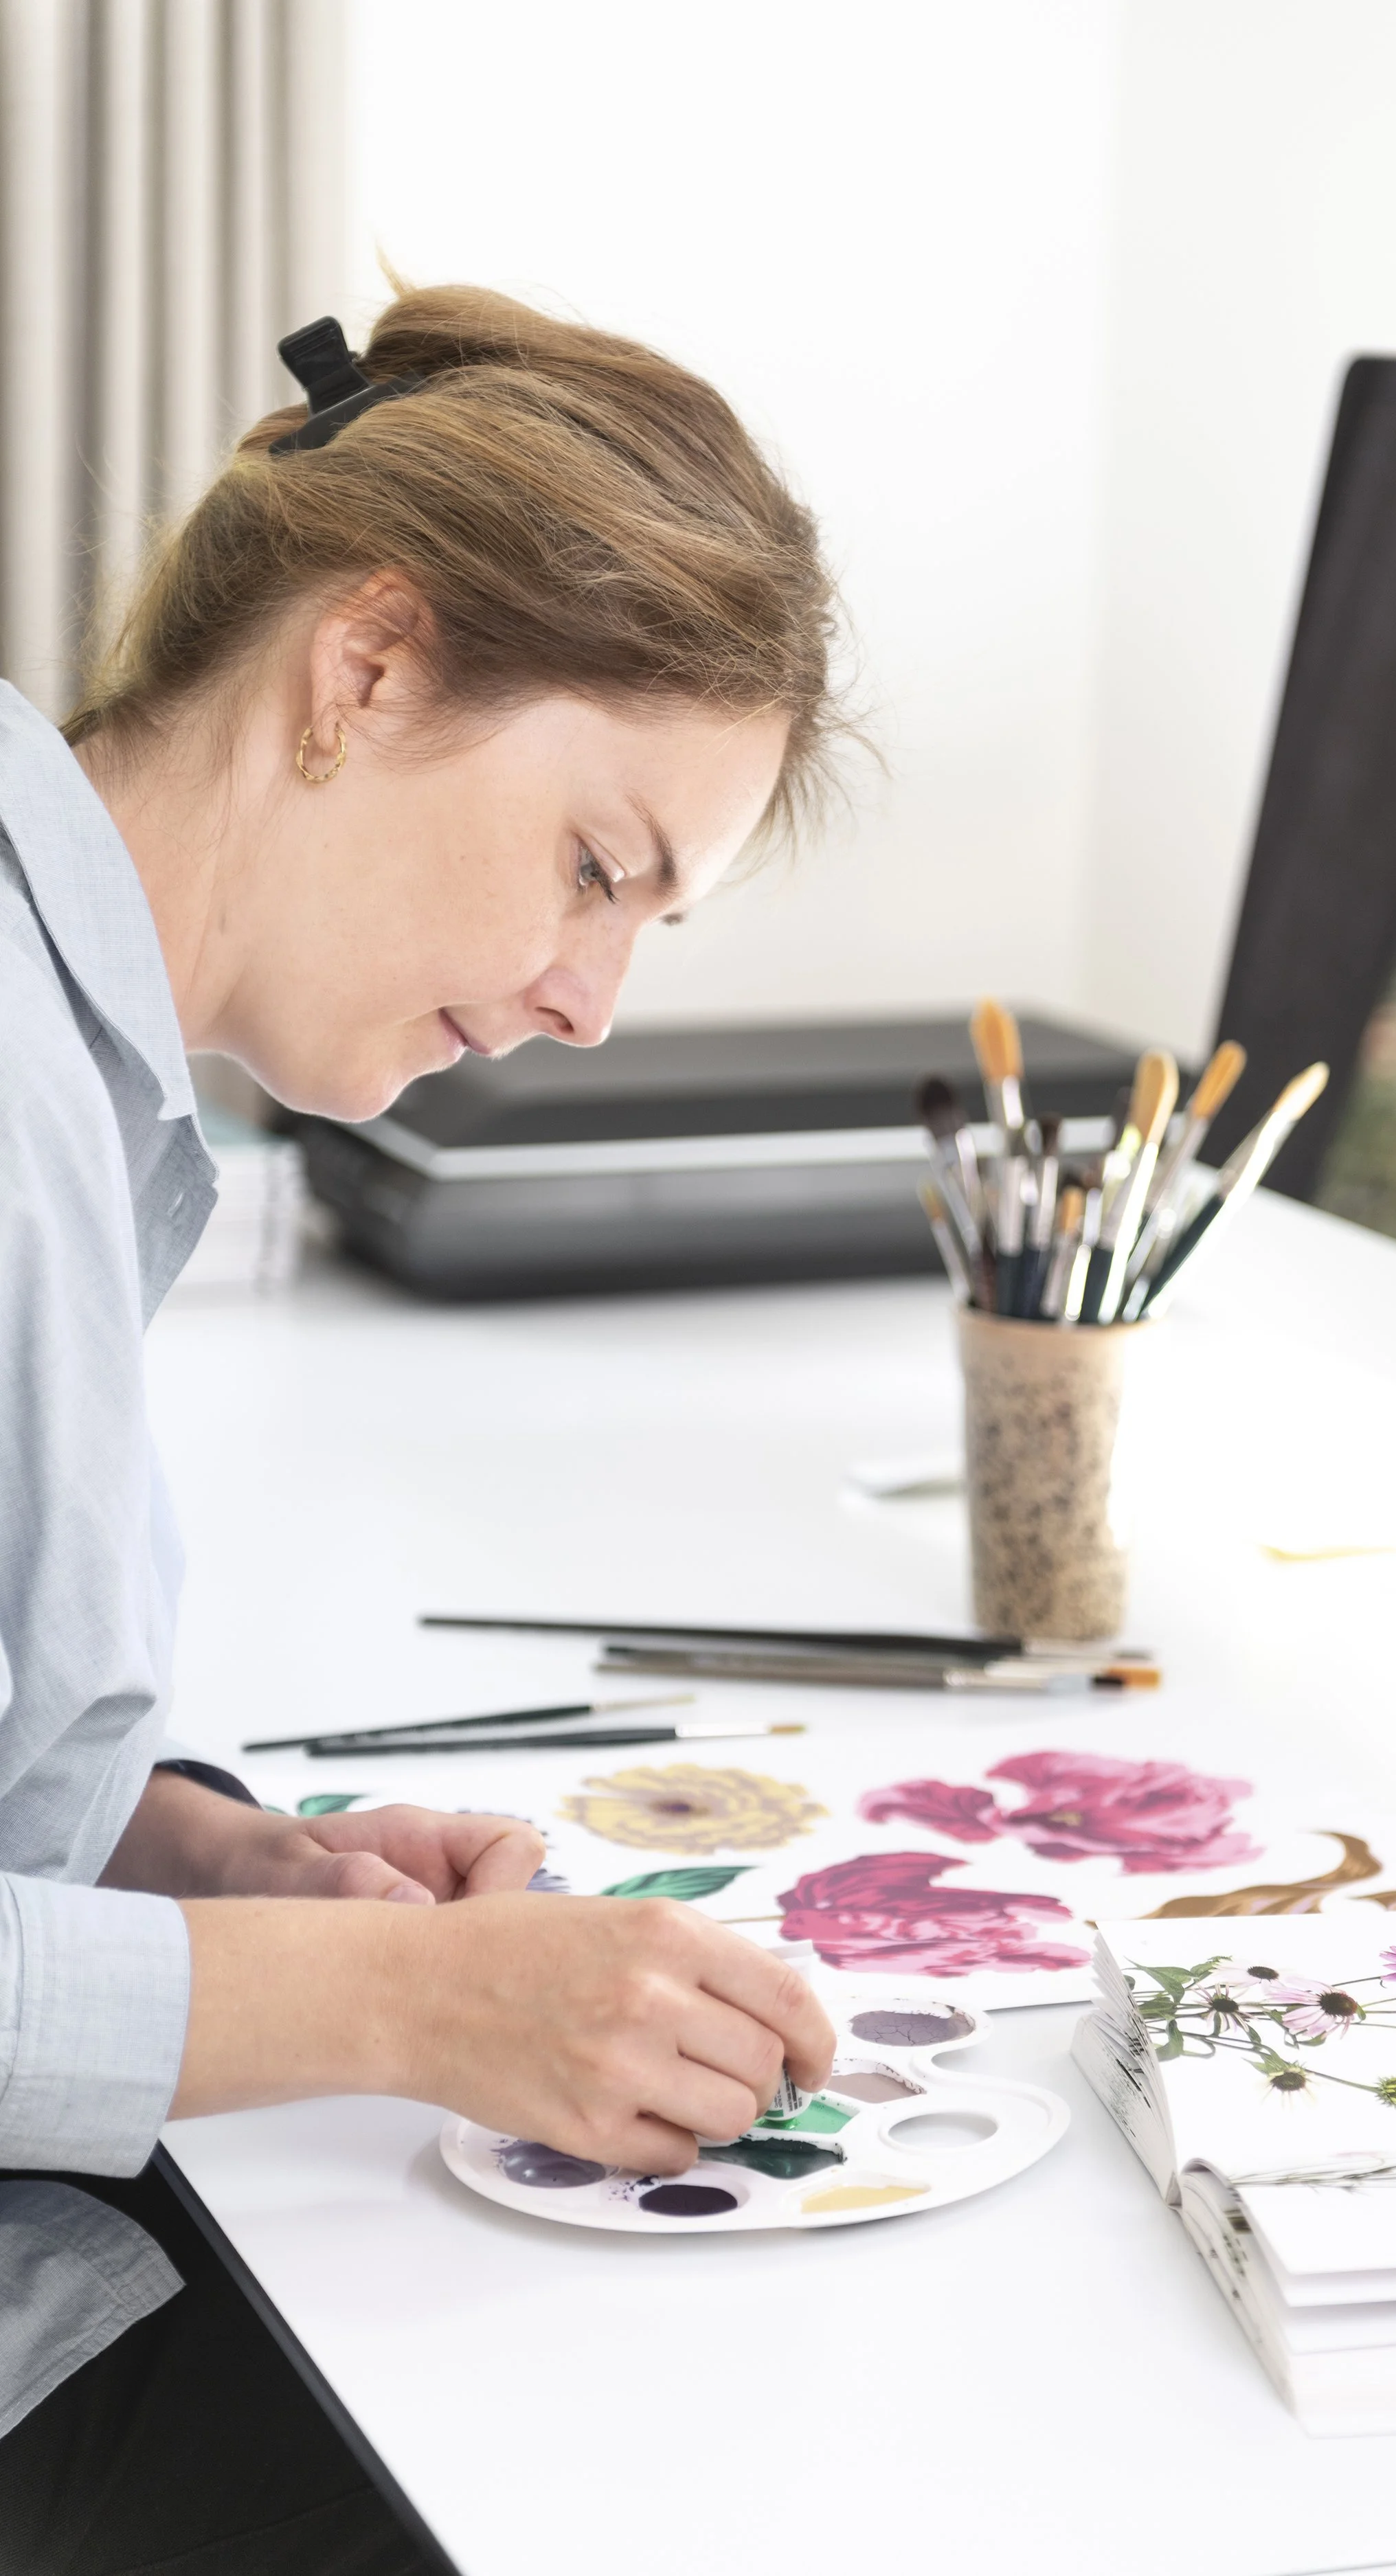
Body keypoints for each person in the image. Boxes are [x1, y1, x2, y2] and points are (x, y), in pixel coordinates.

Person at [0, 285, 842, 2574]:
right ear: (363, 671)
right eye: (594, 867)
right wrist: (403, 1997)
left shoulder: (94, 1094)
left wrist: (187, 1856)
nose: (588, 1003)